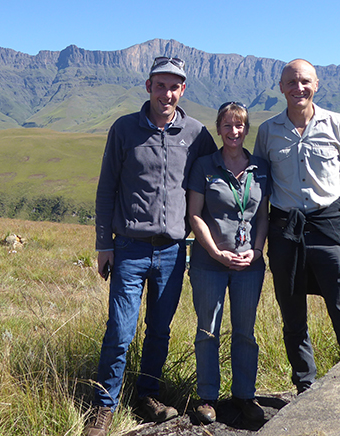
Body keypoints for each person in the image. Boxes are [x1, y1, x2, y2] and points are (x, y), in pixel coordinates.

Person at [85, 56, 218, 436]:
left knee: (159, 330)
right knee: (120, 330)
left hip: (173, 251)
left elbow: (214, 180)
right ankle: (104, 406)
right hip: (129, 248)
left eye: (174, 87)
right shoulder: (124, 129)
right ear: (148, 86)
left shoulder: (196, 133)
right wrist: (103, 245)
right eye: (160, 85)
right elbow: (106, 188)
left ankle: (147, 395)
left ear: (183, 90)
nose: (167, 93)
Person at [253, 59, 340, 394]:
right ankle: (305, 385)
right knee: (293, 317)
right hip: (285, 232)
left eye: (305, 81)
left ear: (316, 84)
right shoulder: (268, 131)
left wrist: (331, 200)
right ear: (281, 88)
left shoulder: (338, 123)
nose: (298, 88)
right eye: (291, 82)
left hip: (327, 228)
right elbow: (262, 180)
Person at [187, 102, 270, 424]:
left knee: (245, 332)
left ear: (246, 129)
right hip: (209, 264)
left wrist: (257, 251)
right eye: (227, 125)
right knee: (208, 330)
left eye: (239, 126)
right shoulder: (204, 166)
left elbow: (263, 216)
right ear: (218, 128)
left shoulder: (261, 168)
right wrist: (214, 252)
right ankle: (208, 397)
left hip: (249, 265)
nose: (233, 132)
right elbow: (194, 214)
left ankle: (244, 395)